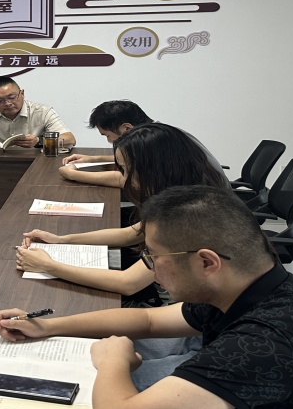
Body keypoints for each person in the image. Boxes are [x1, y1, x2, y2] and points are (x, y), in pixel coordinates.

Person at [0, 185, 293, 409]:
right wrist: (46, 326)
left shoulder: (267, 341)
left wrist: (113, 360)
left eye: (153, 256)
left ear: (207, 262)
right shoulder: (256, 286)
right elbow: (149, 322)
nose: (149, 266)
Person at [17, 123, 231, 301]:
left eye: (127, 170)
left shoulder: (189, 214)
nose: (125, 179)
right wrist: (61, 240)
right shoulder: (181, 195)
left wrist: (48, 266)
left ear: (155, 169)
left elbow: (128, 283)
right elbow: (132, 233)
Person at [0, 76, 74, 268]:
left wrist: (39, 141)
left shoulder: (42, 111)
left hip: (34, 170)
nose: (7, 103)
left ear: (22, 93)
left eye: (12, 97)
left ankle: (34, 248)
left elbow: (69, 138)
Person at [60, 100, 224, 187]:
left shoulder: (152, 140)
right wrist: (93, 159)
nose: (109, 141)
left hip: (205, 211)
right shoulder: (157, 133)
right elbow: (135, 160)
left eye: (107, 135)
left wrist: (74, 175)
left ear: (126, 128)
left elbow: (128, 180)